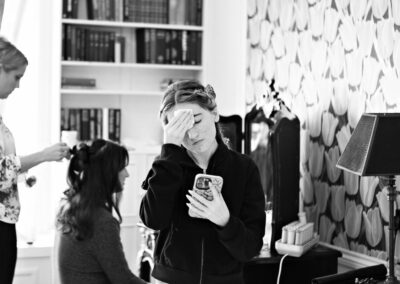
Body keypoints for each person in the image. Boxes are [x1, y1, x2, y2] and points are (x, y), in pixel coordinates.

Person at [140, 80, 266, 284]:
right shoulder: (166, 166)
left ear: (214, 113)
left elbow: (250, 248)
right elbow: (152, 220)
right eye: (180, 127)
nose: (191, 134)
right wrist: (170, 149)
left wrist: (225, 220)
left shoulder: (244, 169)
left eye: (196, 120)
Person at [0, 36, 70, 284]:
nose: (18, 86)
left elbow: (4, 161)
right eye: (16, 77)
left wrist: (21, 176)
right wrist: (44, 156)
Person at [56, 139, 147, 284]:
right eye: (122, 167)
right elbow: (124, 280)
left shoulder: (73, 207)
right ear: (107, 171)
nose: (127, 174)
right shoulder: (101, 222)